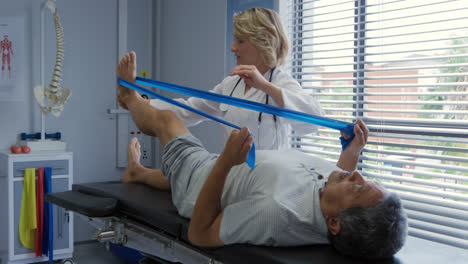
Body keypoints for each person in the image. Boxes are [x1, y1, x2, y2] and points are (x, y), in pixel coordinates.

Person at [117, 50, 408, 259]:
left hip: (203, 184)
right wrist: (352, 152)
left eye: (357, 187)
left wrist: (227, 162)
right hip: (229, 174)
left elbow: (200, 234)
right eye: (365, 179)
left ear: (334, 224)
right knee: (175, 173)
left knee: (168, 122)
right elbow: (335, 189)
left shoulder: (276, 213)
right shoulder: (329, 194)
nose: (355, 175)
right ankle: (137, 172)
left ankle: (129, 96)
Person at [118, 7, 324, 150]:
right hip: (234, 172)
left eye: (240, 41)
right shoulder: (231, 85)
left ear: (264, 42)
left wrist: (265, 86)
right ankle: (138, 170)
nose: (232, 47)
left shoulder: (280, 83)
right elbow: (188, 109)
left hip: (268, 180)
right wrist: (141, 103)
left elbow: (313, 121)